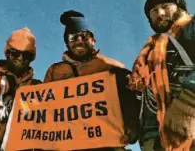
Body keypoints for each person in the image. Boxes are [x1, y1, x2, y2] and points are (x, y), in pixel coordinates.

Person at [44, 10, 141, 151]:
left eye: (84, 36)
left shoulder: (111, 67)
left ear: (93, 40)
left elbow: (132, 98)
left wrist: (132, 127)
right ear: (66, 42)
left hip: (106, 144)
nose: (79, 41)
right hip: (68, 144)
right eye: (73, 37)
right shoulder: (55, 71)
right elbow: (44, 107)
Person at [128, 0, 195, 150]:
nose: (160, 14)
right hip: (156, 139)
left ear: (179, 6)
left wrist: (186, 102)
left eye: (165, 6)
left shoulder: (190, 28)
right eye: (154, 11)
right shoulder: (149, 51)